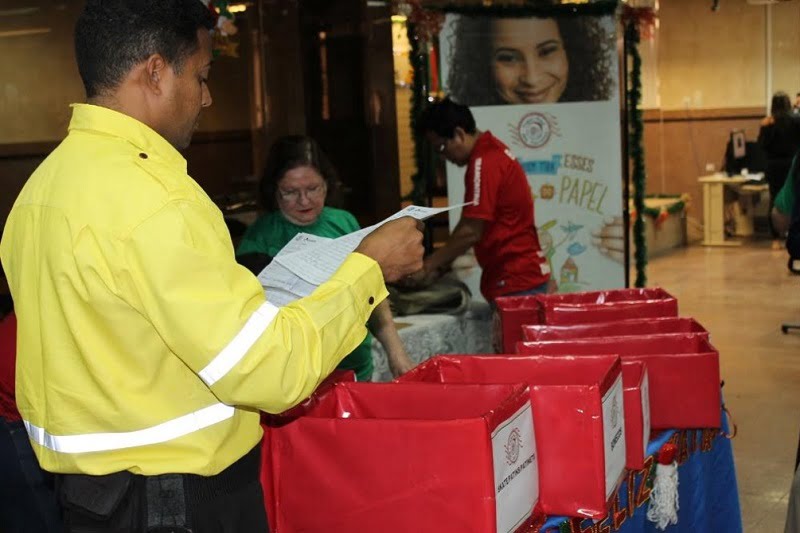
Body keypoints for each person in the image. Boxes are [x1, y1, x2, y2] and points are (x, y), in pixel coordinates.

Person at [0, 1, 423, 531]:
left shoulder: (41, 189)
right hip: (176, 503)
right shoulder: (156, 198)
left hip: (90, 502)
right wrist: (368, 268)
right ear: (155, 72)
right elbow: (272, 372)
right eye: (200, 76)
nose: (207, 96)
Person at [237, 136, 415, 380]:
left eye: (313, 189)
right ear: (274, 191)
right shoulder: (259, 239)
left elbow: (372, 291)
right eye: (290, 192)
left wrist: (396, 353)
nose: (304, 201)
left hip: (356, 364)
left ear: (328, 186)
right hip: (300, 374)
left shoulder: (343, 221)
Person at [410, 97, 551, 301]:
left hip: (515, 279)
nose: (442, 156)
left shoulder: (484, 162)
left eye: (441, 147)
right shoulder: (492, 151)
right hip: (520, 276)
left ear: (459, 134)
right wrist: (441, 265)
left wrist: (428, 266)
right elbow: (470, 225)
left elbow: (470, 231)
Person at [0, 266, 63, 532]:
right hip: (13, 429)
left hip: (19, 423)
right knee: (37, 519)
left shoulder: (27, 314)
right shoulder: (34, 322)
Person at [447, 15, 615, 107]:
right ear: (482, 63)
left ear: (572, 53)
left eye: (547, 51)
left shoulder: (597, 129)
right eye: (508, 58)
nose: (531, 78)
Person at [758, 91, 800, 242]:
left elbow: (761, 145)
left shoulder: (768, 124)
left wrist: (764, 126)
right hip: (793, 165)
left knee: (774, 199)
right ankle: (794, 233)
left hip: (774, 166)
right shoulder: (795, 121)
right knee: (795, 199)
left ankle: (776, 238)